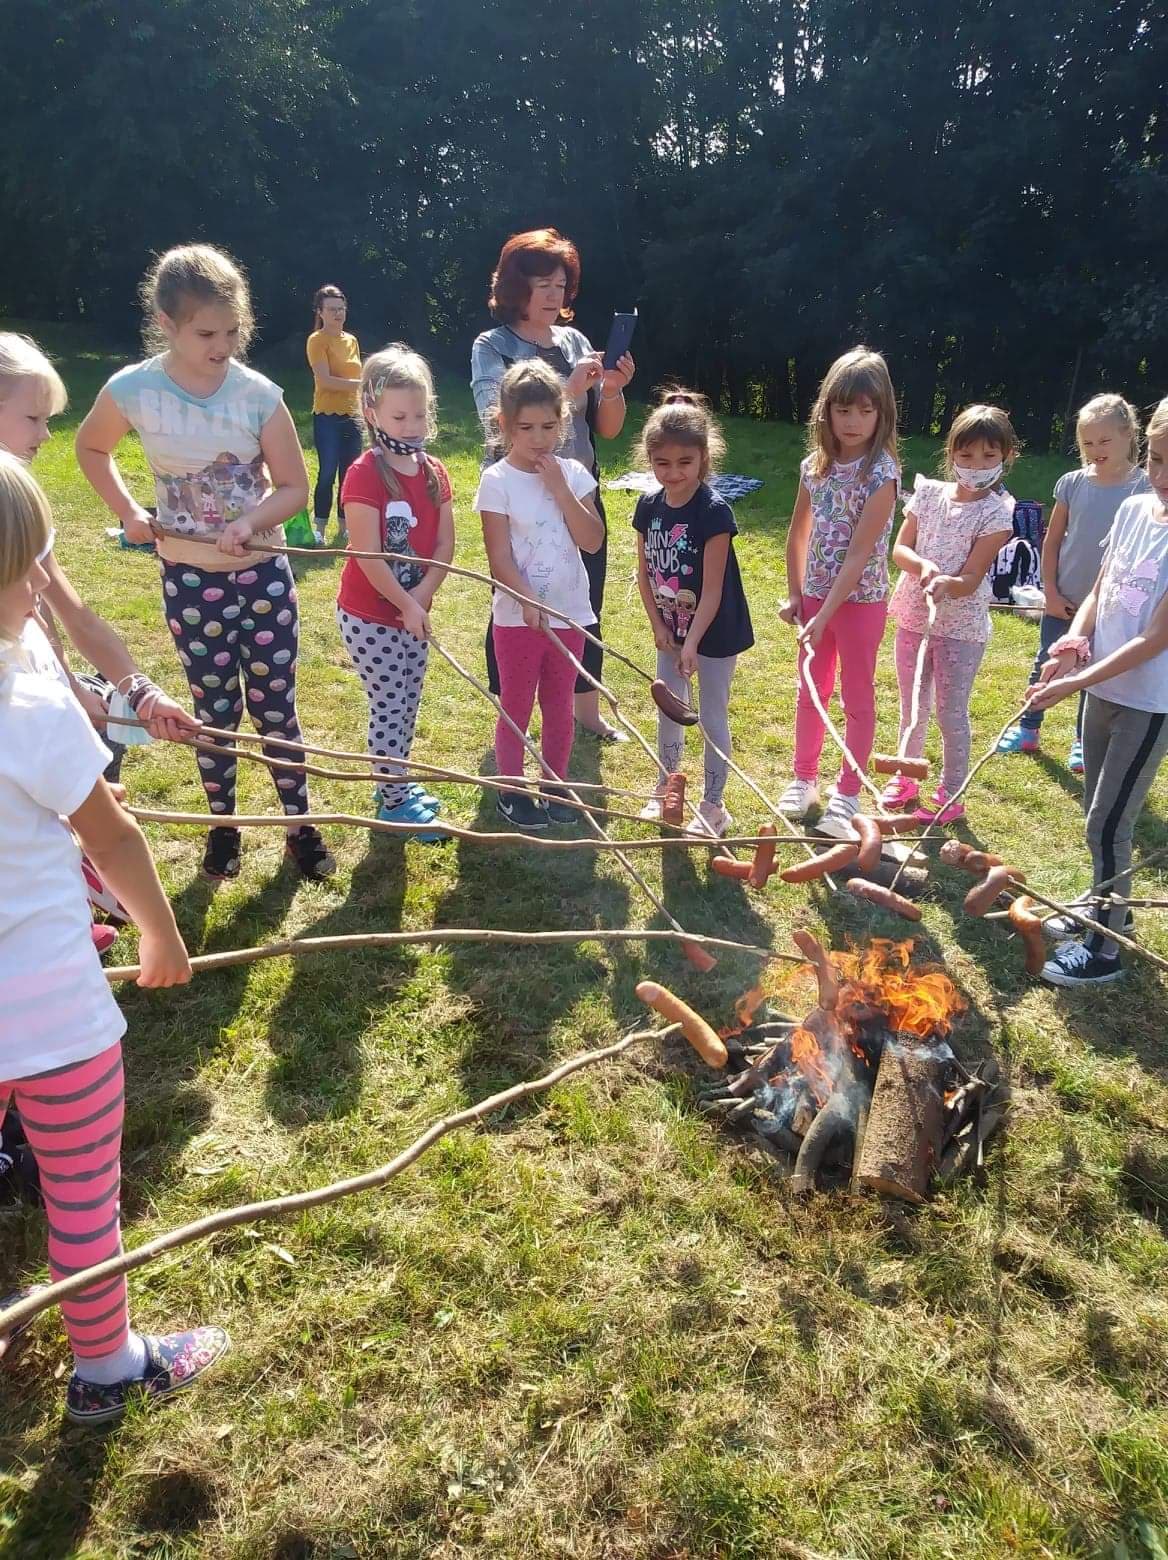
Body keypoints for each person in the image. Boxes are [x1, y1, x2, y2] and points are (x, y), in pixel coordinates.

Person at [0, 452, 229, 1425]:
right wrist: (160, 937)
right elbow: (113, 837)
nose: (39, 585)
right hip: (52, 1015)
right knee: (83, 1201)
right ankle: (108, 1369)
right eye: (27, 568)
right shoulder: (27, 700)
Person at [75, 243, 335, 884]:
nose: (222, 346)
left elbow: (294, 486)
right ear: (167, 323)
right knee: (212, 712)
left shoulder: (257, 395)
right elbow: (90, 448)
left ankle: (299, 827)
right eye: (206, 334)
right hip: (190, 583)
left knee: (276, 710)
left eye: (232, 332)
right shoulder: (134, 390)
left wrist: (250, 523)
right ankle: (224, 828)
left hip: (263, 579)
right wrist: (129, 510)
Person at [0, 331, 197, 777]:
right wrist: (68, 692)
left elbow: (70, 614)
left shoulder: (21, 502)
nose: (45, 434)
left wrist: (140, 692)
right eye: (32, 418)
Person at [470, 228, 634, 742]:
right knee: (515, 596)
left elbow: (606, 428)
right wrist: (568, 388)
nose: (552, 295)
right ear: (515, 287)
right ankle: (512, 710)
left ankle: (586, 710)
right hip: (518, 493)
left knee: (584, 597)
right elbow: (492, 416)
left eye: (560, 285)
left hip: (577, 488)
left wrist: (612, 389)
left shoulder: (575, 342)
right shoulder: (493, 345)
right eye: (542, 284)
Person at [1029, 398, 1168, 988]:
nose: (1161, 476)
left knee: (1110, 824)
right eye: (1157, 460)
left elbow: (1155, 639)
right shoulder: (1135, 508)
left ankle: (1105, 949)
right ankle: (1107, 906)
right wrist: (1073, 643)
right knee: (1096, 811)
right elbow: (1098, 591)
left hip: (1147, 701)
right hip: (1101, 687)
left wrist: (1076, 682)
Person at [473, 360, 604, 831]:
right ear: (504, 424)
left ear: (562, 421)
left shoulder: (573, 473)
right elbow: (499, 558)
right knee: (516, 704)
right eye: (526, 428)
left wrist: (561, 490)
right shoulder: (496, 481)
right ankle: (511, 789)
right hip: (518, 619)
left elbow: (592, 540)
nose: (538, 438)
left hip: (569, 615)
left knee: (559, 704)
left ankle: (555, 784)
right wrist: (528, 601)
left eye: (549, 426)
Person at [778, 347, 900, 838]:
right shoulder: (815, 466)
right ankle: (803, 778)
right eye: (843, 409)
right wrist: (796, 594)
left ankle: (847, 792)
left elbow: (858, 556)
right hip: (814, 603)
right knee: (811, 690)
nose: (852, 421)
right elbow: (797, 533)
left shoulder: (882, 475)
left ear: (882, 413)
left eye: (865, 411)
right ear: (826, 410)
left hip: (860, 603)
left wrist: (825, 613)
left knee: (857, 697)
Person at [337, 345, 454, 840]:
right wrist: (406, 602)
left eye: (420, 415)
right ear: (372, 412)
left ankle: (394, 781)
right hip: (370, 617)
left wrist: (421, 595)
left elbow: (445, 543)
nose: (411, 426)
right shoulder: (364, 475)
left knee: (408, 701)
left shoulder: (433, 471)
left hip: (413, 611)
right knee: (389, 704)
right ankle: (393, 802)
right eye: (400, 416)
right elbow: (367, 554)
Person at [999, 394, 1149, 771]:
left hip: (1109, 606)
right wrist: (1050, 591)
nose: (1095, 450)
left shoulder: (1145, 490)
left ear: (1129, 435)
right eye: (1087, 442)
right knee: (1046, 662)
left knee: (1092, 674)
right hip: (1063, 600)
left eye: (1104, 441)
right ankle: (1028, 727)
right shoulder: (1072, 483)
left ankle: (1083, 741)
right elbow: (1051, 542)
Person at [885, 405, 1018, 823]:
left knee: (950, 711)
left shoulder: (997, 513)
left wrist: (949, 583)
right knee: (912, 704)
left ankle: (951, 791)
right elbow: (900, 550)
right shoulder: (927, 495)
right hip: (914, 618)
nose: (976, 465)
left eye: (988, 456)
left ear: (1006, 457)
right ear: (951, 454)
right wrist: (923, 566)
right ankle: (906, 775)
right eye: (966, 455)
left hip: (960, 630)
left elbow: (973, 576)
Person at [632, 390, 754, 838]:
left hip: (714, 632)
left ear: (703, 458)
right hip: (671, 629)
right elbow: (644, 573)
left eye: (685, 462)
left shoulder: (713, 512)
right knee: (670, 709)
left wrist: (694, 643)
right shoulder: (648, 507)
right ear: (650, 460)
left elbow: (714, 588)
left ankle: (713, 805)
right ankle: (666, 786)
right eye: (662, 463)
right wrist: (658, 626)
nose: (673, 473)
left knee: (710, 715)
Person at [306, 285, 362, 545]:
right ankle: (319, 527)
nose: (338, 314)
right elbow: (325, 380)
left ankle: (345, 526)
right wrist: (360, 384)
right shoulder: (317, 340)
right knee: (327, 471)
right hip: (327, 415)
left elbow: (356, 373)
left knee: (349, 473)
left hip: (353, 414)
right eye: (331, 310)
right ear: (320, 312)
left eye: (341, 309)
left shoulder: (351, 340)